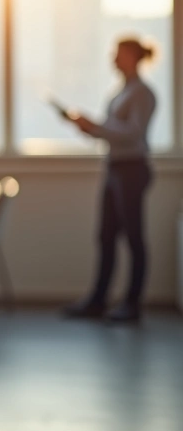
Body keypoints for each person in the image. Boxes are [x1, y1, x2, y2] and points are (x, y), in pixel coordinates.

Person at [62, 37, 158, 323]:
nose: (113, 58)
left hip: (132, 169)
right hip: (114, 167)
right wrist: (89, 128)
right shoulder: (122, 91)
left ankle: (132, 304)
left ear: (132, 56)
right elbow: (112, 130)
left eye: (118, 54)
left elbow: (132, 133)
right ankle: (98, 300)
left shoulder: (142, 92)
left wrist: (97, 126)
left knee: (133, 237)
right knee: (105, 235)